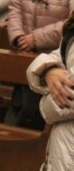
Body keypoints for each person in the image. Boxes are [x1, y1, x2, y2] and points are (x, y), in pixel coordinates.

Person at [6, 0, 74, 129]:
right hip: (25, 53)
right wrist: (18, 36)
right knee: (19, 107)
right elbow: (16, 5)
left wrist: (35, 38)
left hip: (55, 58)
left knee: (34, 115)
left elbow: (71, 22)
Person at [27, 12, 74, 171]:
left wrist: (44, 106)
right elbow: (57, 57)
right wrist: (49, 71)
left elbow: (69, 97)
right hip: (64, 145)